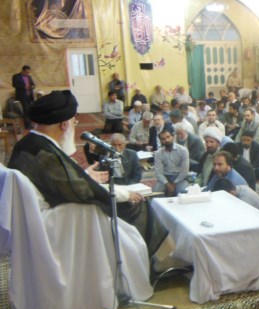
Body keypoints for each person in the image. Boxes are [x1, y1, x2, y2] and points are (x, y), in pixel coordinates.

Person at [8, 90, 165, 255]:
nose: (75, 125)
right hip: (50, 222)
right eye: (74, 122)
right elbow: (80, 190)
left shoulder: (30, 143)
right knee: (135, 205)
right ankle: (141, 257)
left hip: (38, 216)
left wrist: (85, 175)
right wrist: (126, 194)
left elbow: (62, 181)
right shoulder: (43, 152)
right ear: (64, 124)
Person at [153, 129, 190, 196]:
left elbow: (185, 171)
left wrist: (174, 184)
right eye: (163, 139)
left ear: (172, 137)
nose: (167, 140)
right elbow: (158, 173)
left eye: (168, 137)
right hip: (165, 178)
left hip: (180, 178)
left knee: (182, 191)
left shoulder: (183, 150)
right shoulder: (158, 153)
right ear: (161, 141)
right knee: (156, 191)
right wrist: (167, 184)